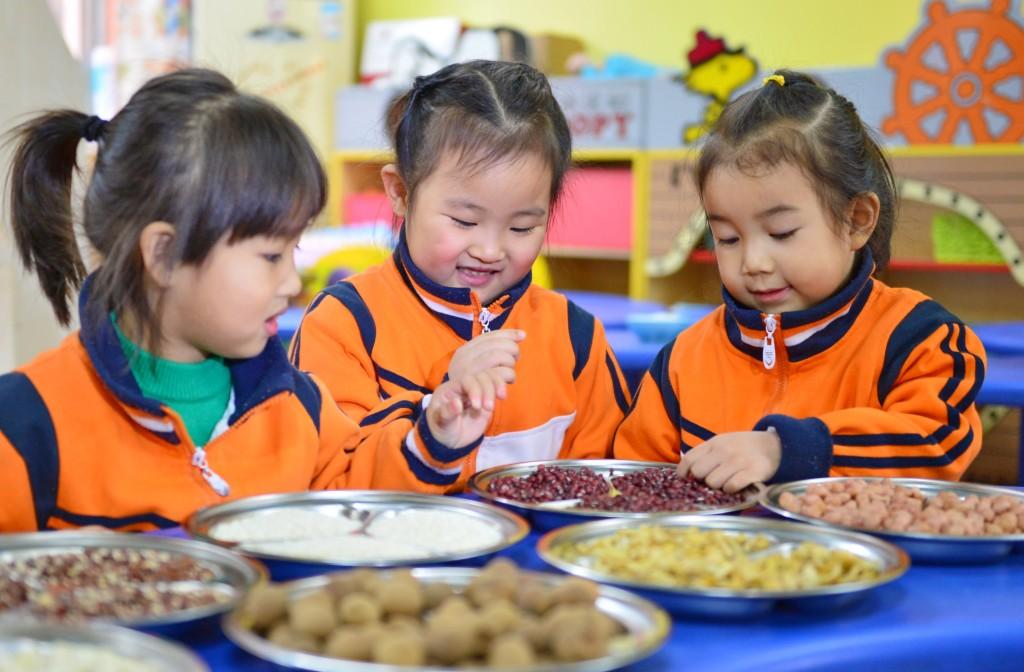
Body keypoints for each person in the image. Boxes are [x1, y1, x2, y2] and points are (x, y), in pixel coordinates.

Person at [0, 69, 506, 532]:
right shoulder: (26, 425)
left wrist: (433, 438)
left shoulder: (296, 404)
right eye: (270, 256)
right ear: (164, 254)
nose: (292, 282)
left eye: (295, 250)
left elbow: (357, 498)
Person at [614, 70, 986, 491]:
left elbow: (936, 443)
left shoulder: (923, 339)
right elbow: (635, 485)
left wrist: (786, 451)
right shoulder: (682, 362)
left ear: (856, 220)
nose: (753, 262)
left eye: (782, 233)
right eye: (728, 238)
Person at [292, 60, 630, 491]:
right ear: (400, 192)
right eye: (464, 221)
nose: (489, 250)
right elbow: (327, 486)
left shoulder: (575, 336)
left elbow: (610, 483)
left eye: (522, 227)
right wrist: (430, 434)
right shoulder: (344, 323)